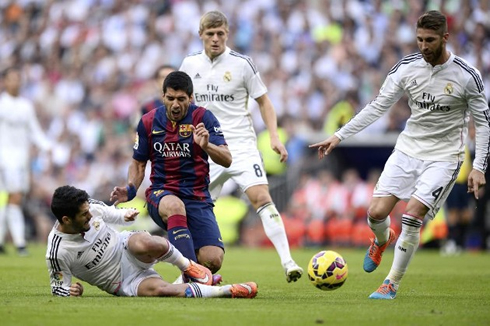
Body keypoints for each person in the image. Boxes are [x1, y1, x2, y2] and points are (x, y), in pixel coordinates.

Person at [310, 10, 490, 299]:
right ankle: (383, 239)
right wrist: (339, 135)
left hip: (443, 157)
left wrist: (479, 166)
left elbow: (482, 123)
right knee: (376, 213)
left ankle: (391, 282)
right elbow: (377, 106)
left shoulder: (467, 76)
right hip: (407, 149)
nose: (423, 46)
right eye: (419, 40)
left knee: (412, 215)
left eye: (430, 40)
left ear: (445, 38)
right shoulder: (407, 67)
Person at [179, 10, 303, 283]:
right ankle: (188, 273)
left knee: (261, 196)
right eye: (210, 34)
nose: (215, 39)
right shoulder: (188, 65)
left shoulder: (242, 64)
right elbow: (180, 105)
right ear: (201, 35)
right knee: (189, 212)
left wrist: (273, 136)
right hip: (206, 149)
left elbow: (265, 102)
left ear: (227, 34)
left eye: (220, 34)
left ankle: (288, 261)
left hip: (241, 147)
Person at [110, 71, 232, 278]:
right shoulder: (148, 122)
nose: (175, 104)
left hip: (197, 196)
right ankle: (191, 274)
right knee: (175, 206)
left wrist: (207, 145)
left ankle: (189, 265)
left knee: (213, 260)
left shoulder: (204, 118)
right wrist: (130, 190)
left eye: (181, 99)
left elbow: (227, 159)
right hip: (162, 193)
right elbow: (139, 163)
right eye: (171, 98)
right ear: (163, 96)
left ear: (191, 98)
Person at [46, 185, 257, 298]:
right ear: (66, 219)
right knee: (163, 290)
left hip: (124, 247)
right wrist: (71, 290)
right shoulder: (57, 251)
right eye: (84, 215)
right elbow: (58, 287)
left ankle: (190, 268)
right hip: (121, 281)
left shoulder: (88, 207)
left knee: (147, 243)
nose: (90, 216)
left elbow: (109, 214)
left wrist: (125, 215)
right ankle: (228, 291)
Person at [0, 67, 51, 256]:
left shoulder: (25, 106)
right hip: (4, 158)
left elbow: (34, 130)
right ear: (4, 82)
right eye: (11, 79)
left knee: (8, 199)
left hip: (21, 159)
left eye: (17, 79)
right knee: (13, 197)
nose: (15, 82)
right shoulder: (2, 105)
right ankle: (20, 243)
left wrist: (47, 146)